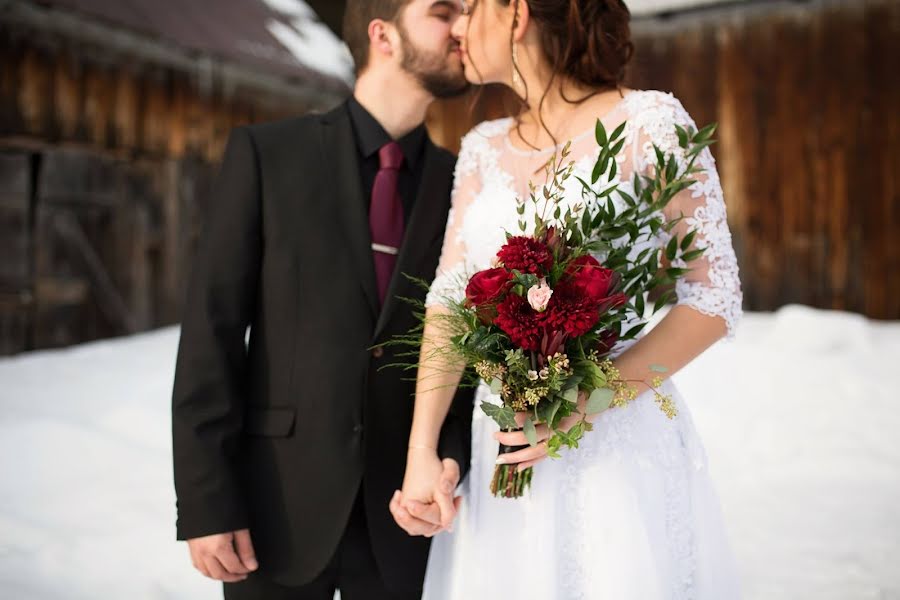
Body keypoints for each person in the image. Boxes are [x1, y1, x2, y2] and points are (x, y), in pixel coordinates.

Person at [393, 0, 744, 597]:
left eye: (469, 8)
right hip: (503, 442)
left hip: (612, 443)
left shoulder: (650, 124)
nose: (456, 27)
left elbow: (713, 299)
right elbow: (452, 300)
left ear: (517, 13)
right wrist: (421, 450)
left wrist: (583, 401)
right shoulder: (480, 147)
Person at [171, 1, 475, 598]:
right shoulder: (268, 155)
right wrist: (207, 502)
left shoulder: (466, 183)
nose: (463, 27)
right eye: (445, 11)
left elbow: (469, 347)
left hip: (407, 519)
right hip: (275, 507)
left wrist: (450, 460)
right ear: (382, 34)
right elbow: (213, 334)